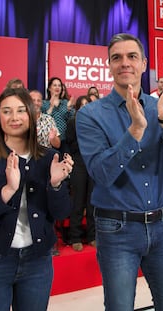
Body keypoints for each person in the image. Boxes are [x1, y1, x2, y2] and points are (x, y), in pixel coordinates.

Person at [76, 33, 163, 310]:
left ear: (143, 64)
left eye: (132, 56)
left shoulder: (160, 106)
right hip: (117, 230)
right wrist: (135, 131)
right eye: (117, 57)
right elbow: (101, 174)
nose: (124, 63)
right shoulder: (91, 114)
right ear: (109, 65)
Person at [0, 87, 73, 311]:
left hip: (38, 261)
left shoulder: (49, 157)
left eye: (21, 110)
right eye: (6, 111)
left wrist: (55, 185)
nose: (14, 117)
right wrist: (6, 191)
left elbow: (61, 213)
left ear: (31, 115)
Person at [66, 95, 95, 252]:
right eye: (81, 105)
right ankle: (75, 236)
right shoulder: (72, 123)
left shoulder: (96, 124)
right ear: (77, 108)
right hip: (78, 162)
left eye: (87, 104)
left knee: (92, 201)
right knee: (77, 200)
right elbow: (70, 143)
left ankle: (92, 236)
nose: (84, 107)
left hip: (92, 163)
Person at [42, 77, 74, 154]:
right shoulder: (44, 103)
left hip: (64, 140)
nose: (57, 87)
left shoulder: (65, 103)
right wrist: (51, 107)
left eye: (59, 85)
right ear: (49, 88)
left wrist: (69, 109)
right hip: (48, 142)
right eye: (55, 85)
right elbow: (42, 121)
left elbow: (71, 121)